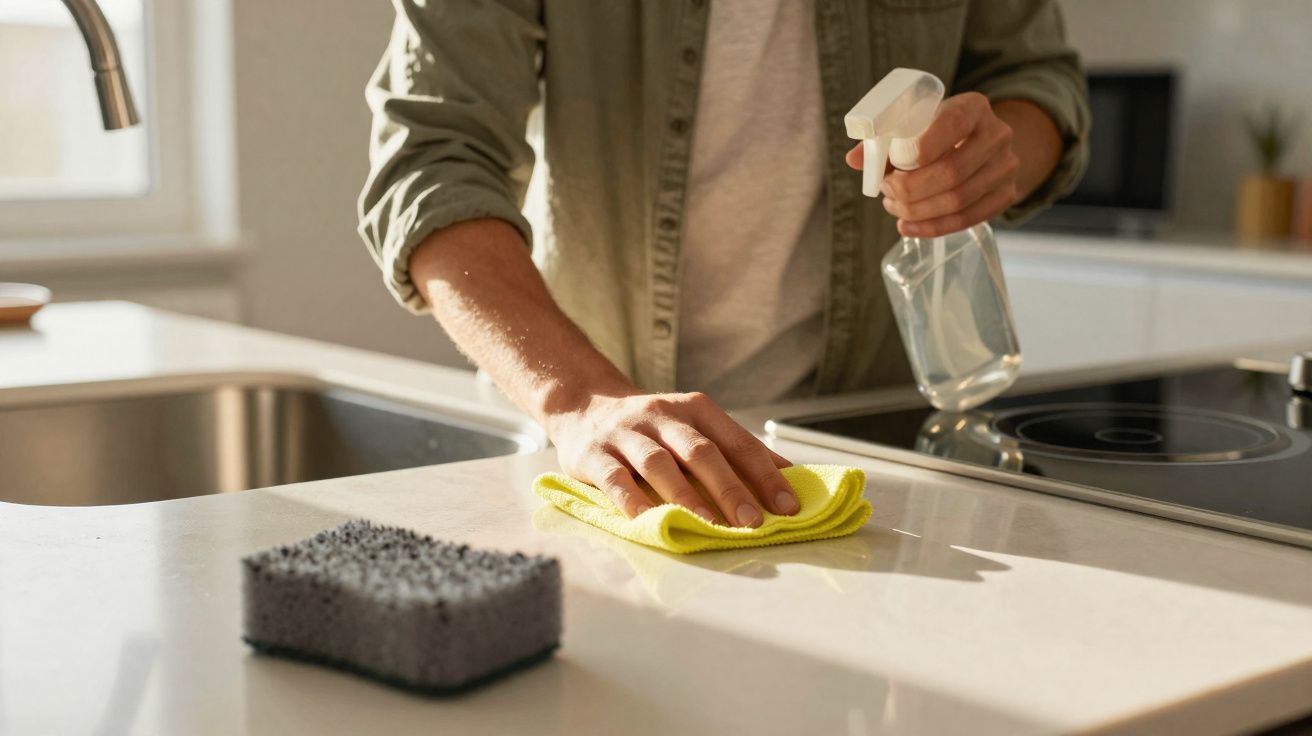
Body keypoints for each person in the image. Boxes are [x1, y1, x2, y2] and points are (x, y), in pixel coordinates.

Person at [358, 0, 1089, 529]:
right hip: (591, 449)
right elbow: (432, 163)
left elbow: (1036, 78)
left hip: (878, 457)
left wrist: (992, 156)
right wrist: (582, 403)